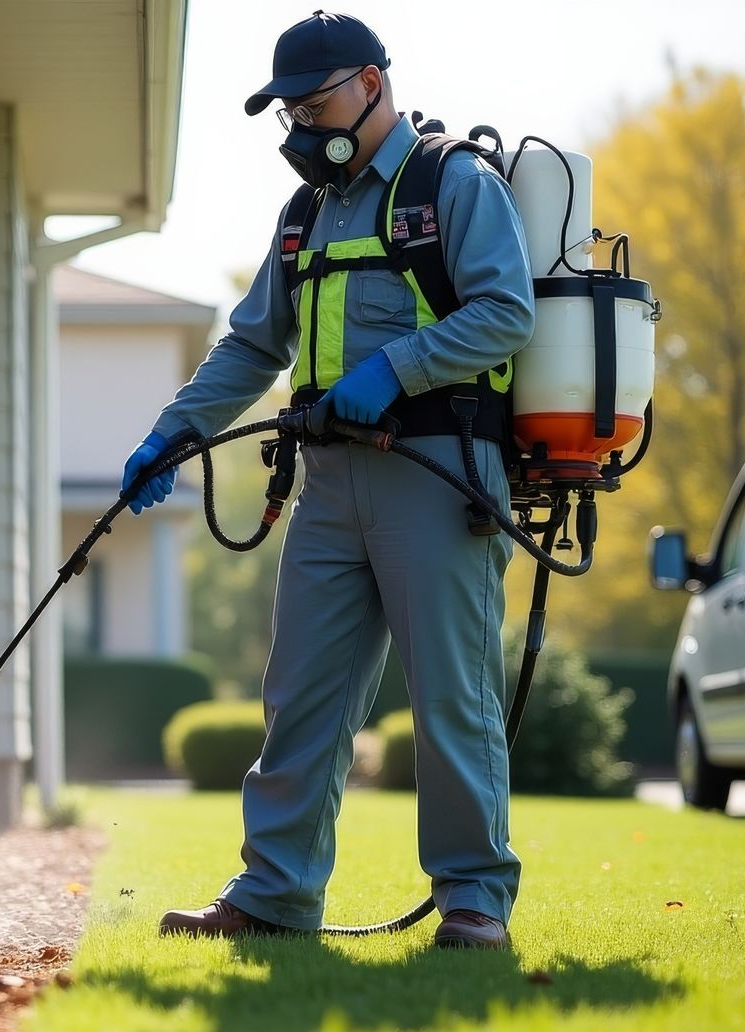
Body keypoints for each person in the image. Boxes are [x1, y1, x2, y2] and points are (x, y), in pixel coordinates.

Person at [123, 10, 534, 950]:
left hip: (437, 474)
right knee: (299, 695)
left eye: (315, 105)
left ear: (372, 85)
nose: (302, 128)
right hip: (328, 486)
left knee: (448, 699)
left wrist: (396, 370)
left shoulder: (452, 183)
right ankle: (274, 896)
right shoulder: (306, 213)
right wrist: (170, 437)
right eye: (289, 114)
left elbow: (507, 313)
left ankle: (474, 903)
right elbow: (252, 344)